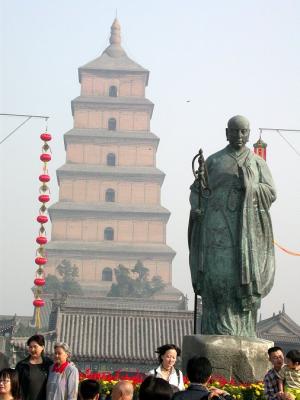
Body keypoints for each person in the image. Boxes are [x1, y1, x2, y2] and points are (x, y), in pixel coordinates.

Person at [188, 115, 276, 337]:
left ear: (248, 133)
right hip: (217, 228)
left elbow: (271, 192)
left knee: (242, 277)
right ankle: (214, 327)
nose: (239, 136)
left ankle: (243, 330)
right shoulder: (214, 161)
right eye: (234, 131)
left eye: (243, 131)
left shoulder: (257, 163)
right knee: (217, 274)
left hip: (246, 231)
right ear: (226, 132)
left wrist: (251, 187)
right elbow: (197, 193)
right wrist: (198, 206)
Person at [15, 334, 53, 400]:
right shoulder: (21, 365)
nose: (32, 349)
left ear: (42, 347)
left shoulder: (49, 364)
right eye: (30, 347)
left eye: (35, 347)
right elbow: (15, 385)